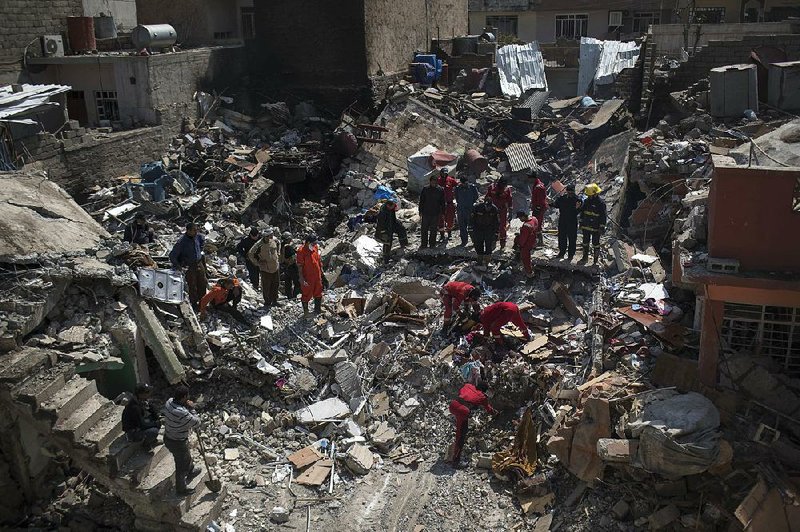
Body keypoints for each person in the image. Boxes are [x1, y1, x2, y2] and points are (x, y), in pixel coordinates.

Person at [164, 386, 202, 496]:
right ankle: (180, 489)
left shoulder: (169, 402)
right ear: (184, 397)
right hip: (177, 442)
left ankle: (191, 471)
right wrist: (192, 408)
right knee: (181, 465)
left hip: (168, 437)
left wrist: (186, 405)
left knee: (186, 455)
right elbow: (196, 422)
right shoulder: (182, 413)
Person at [448, 381, 497, 467]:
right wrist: (495, 413)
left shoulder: (468, 385)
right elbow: (488, 409)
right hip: (462, 410)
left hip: (453, 404)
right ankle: (455, 460)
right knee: (461, 434)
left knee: (460, 428)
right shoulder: (482, 397)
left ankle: (455, 455)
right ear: (483, 390)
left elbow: (461, 392)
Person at [169, 223, 207, 309]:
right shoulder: (181, 242)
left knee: (203, 282)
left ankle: (203, 303)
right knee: (192, 285)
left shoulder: (198, 237)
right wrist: (178, 266)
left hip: (199, 263)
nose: (196, 232)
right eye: (194, 230)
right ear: (188, 231)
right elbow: (172, 256)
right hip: (189, 266)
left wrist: (200, 252)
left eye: (196, 229)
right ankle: (194, 305)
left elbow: (201, 244)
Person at [121, 383, 160, 451]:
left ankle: (152, 440)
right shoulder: (134, 407)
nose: (149, 393)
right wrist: (155, 423)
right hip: (132, 432)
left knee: (155, 420)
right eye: (147, 392)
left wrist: (150, 406)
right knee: (154, 431)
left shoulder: (141, 401)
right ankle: (146, 445)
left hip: (138, 424)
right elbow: (142, 425)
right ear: (140, 394)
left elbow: (154, 414)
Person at [248, 228, 280, 307]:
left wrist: (278, 253)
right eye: (270, 236)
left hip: (275, 266)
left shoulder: (274, 240)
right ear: (266, 236)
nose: (272, 237)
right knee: (266, 286)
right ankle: (267, 302)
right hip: (266, 269)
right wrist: (258, 263)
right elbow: (250, 254)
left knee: (275, 284)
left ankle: (275, 300)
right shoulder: (259, 245)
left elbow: (279, 243)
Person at [297, 233, 324, 317]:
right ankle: (306, 312)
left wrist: (322, 273)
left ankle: (317, 309)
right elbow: (300, 266)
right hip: (308, 276)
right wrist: (301, 278)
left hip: (317, 275)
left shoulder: (315, 247)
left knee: (318, 291)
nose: (315, 245)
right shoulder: (301, 251)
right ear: (308, 242)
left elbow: (318, 261)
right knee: (306, 293)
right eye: (313, 243)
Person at [580, 183, 607, 265]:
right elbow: (582, 213)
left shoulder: (601, 203)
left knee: (596, 244)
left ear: (595, 194)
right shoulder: (586, 201)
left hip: (596, 227)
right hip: (586, 226)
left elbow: (603, 216)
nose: (589, 196)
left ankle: (595, 261)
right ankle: (584, 258)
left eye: (590, 195)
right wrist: (581, 223)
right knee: (585, 242)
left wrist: (602, 227)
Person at [553, 184, 582, 261]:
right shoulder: (562, 198)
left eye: (571, 193)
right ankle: (562, 252)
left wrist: (578, 208)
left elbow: (579, 211)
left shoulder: (577, 200)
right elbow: (556, 205)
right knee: (562, 237)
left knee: (572, 238)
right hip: (563, 220)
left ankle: (571, 254)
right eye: (568, 193)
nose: (570, 194)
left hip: (572, 221)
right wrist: (550, 202)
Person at [375, 198, 408, 263]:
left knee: (401, 229)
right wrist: (383, 232)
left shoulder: (391, 208)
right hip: (385, 228)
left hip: (392, 223)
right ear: (388, 205)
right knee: (387, 241)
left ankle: (404, 244)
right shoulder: (383, 213)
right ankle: (386, 258)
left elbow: (393, 217)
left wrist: (398, 222)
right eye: (393, 206)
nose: (394, 207)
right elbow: (380, 224)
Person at [470, 196, 499, 266]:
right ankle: (480, 261)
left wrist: (496, 232)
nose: (488, 208)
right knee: (478, 245)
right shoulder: (477, 207)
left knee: (489, 246)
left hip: (489, 230)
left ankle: (487, 262)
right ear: (484, 204)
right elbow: (471, 219)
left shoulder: (494, 209)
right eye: (487, 206)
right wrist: (471, 230)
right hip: (478, 229)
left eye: (489, 207)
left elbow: (497, 222)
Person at [485, 178, 513, 250]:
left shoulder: (507, 189)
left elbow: (510, 201)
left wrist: (510, 211)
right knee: (491, 225)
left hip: (502, 211)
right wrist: (486, 206)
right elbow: (487, 198)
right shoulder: (492, 187)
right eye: (502, 185)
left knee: (502, 227)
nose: (503, 187)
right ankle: (492, 242)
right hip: (492, 210)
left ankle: (502, 243)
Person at [419, 175, 445, 249]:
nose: (434, 183)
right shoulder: (425, 189)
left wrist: (443, 213)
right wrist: (420, 211)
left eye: (435, 182)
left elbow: (442, 202)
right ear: (430, 181)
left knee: (433, 230)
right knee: (424, 229)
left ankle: (432, 244)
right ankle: (424, 244)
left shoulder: (440, 190)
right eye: (433, 181)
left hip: (435, 213)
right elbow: (422, 201)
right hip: (426, 212)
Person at [454, 174, 480, 247]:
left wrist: (471, 204)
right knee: (462, 227)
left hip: (470, 210)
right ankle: (464, 241)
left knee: (472, 226)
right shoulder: (458, 188)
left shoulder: (472, 187)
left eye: (465, 183)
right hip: (461, 210)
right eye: (463, 183)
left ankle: (474, 241)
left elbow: (476, 197)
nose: (464, 185)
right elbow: (457, 198)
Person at [514, 211, 539, 279]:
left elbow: (523, 240)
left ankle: (529, 273)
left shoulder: (526, 226)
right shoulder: (534, 219)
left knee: (526, 259)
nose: (520, 220)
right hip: (533, 240)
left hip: (527, 244)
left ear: (523, 217)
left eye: (520, 218)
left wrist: (519, 244)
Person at [437, 168, 458, 242]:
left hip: (449, 203)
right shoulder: (438, 180)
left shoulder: (450, 180)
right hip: (440, 204)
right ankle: (442, 235)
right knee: (440, 220)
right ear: (441, 173)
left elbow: (457, 186)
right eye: (443, 173)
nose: (444, 175)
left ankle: (449, 234)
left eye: (446, 173)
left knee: (450, 219)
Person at [280, 232, 300, 300]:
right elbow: (293, 257)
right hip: (292, 267)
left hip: (285, 267)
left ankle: (289, 296)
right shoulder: (288, 247)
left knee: (288, 282)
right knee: (297, 283)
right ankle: (294, 296)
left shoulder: (281, 245)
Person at [529, 173, 548, 241]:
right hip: (538, 207)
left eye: (530, 178)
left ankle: (539, 241)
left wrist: (538, 208)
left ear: (533, 178)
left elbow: (541, 199)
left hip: (539, 208)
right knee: (537, 223)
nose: (529, 179)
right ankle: (538, 240)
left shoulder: (539, 187)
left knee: (537, 224)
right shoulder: (537, 185)